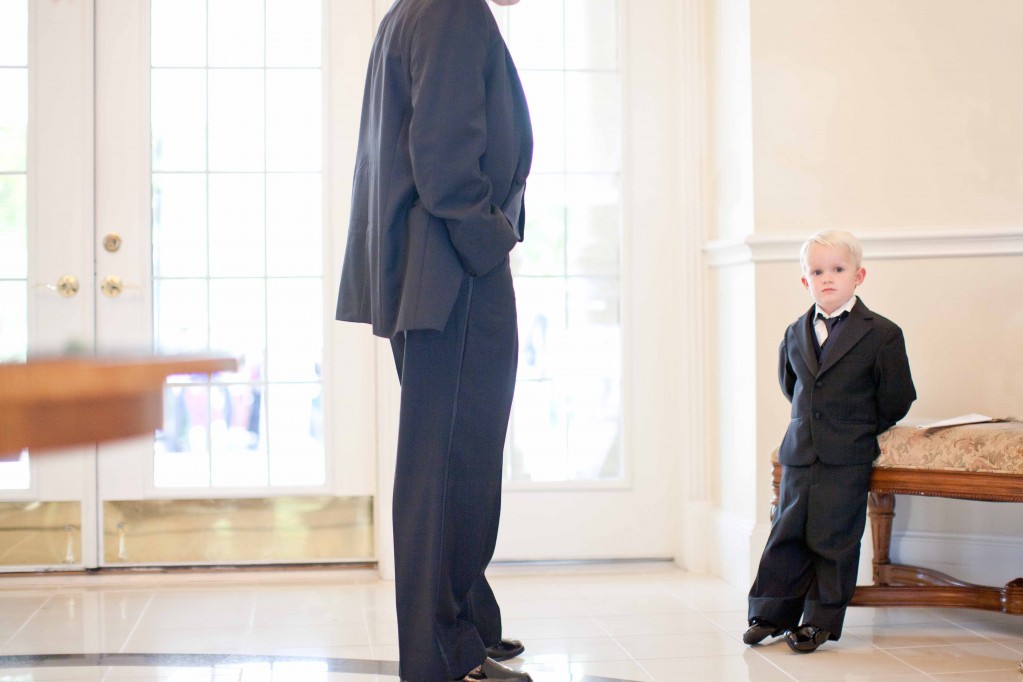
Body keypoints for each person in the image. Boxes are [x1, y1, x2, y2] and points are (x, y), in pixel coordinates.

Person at [335, 0, 533, 679]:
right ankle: (445, 657)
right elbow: (444, 158)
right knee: (450, 470)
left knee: (449, 462)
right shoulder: (450, 11)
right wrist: (491, 245)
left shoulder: (417, 8)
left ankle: (467, 625)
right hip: (453, 269)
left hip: (432, 269)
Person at [743, 230, 916, 653]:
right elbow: (792, 386)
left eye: (837, 270)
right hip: (800, 451)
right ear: (805, 281)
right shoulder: (794, 331)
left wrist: (856, 426)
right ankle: (771, 611)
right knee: (787, 531)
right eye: (817, 272)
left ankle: (820, 620)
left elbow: (897, 396)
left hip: (847, 453)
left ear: (858, 275)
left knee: (833, 536)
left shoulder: (882, 334)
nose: (827, 279)